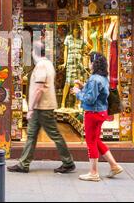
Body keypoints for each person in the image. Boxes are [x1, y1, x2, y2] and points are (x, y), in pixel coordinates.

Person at [8, 41, 76, 174]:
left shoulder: (41, 66)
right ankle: (24, 163)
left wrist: (31, 108)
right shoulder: (49, 64)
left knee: (54, 134)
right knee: (32, 135)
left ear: (34, 52)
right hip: (42, 106)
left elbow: (39, 89)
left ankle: (68, 162)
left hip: (43, 107)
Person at [72, 52, 123, 182]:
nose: (88, 64)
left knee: (91, 142)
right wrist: (83, 86)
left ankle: (94, 172)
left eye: (90, 62)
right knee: (96, 140)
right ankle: (114, 165)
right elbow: (97, 93)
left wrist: (78, 93)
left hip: (93, 114)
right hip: (101, 112)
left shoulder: (94, 78)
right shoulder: (102, 77)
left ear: (94, 64)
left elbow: (90, 98)